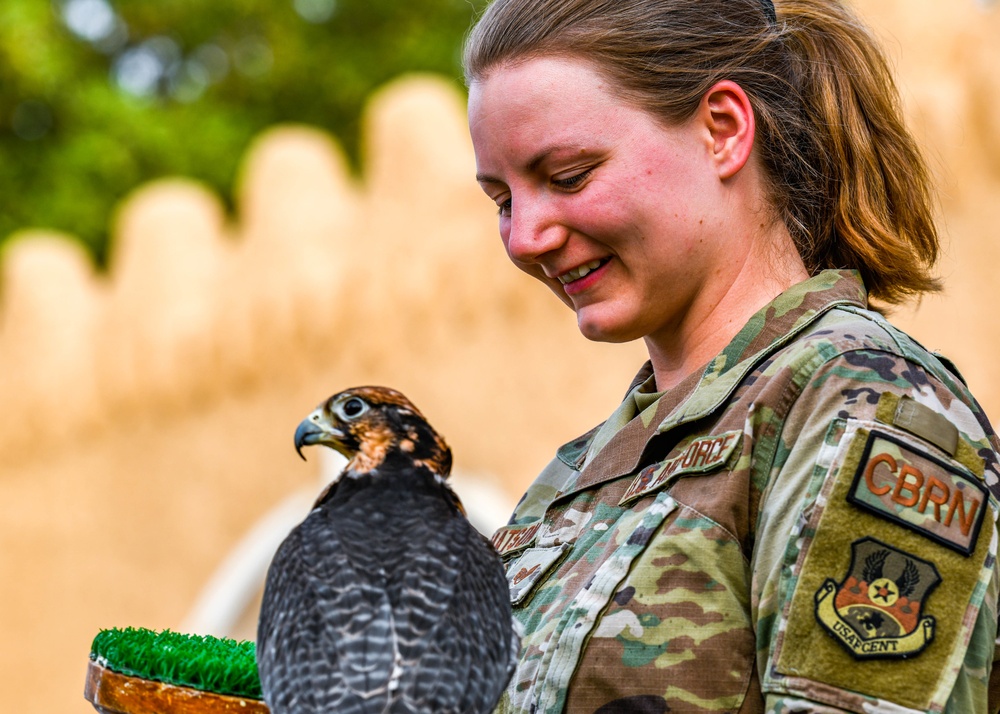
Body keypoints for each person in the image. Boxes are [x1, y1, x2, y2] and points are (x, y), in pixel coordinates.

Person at [463, 0, 1000, 712]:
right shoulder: (587, 468)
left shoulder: (864, 405)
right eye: (502, 200)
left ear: (723, 130)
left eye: (568, 176)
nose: (526, 237)